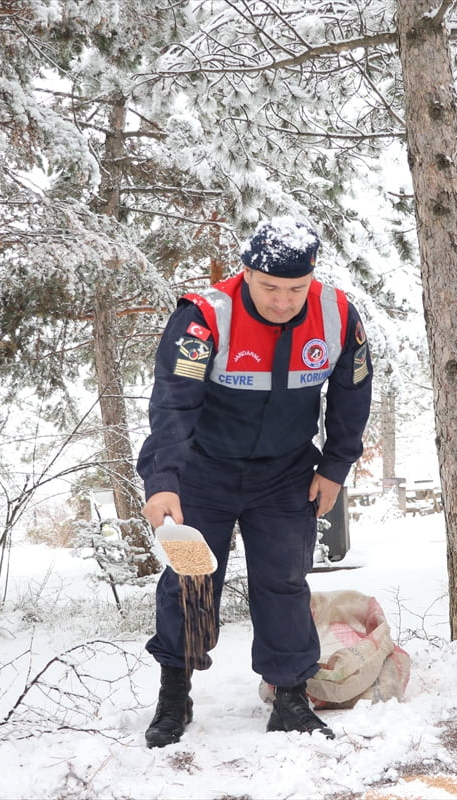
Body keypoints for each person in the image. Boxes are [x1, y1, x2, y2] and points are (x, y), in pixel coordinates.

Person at [137, 217, 373, 746]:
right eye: (270, 287)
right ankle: (175, 693)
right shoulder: (205, 320)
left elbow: (353, 396)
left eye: (296, 289)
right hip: (203, 476)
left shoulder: (336, 316)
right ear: (246, 273)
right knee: (190, 581)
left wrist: (335, 467)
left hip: (285, 477)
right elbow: (173, 405)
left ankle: (290, 697)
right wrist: (163, 480)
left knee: (285, 582)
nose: (284, 301)